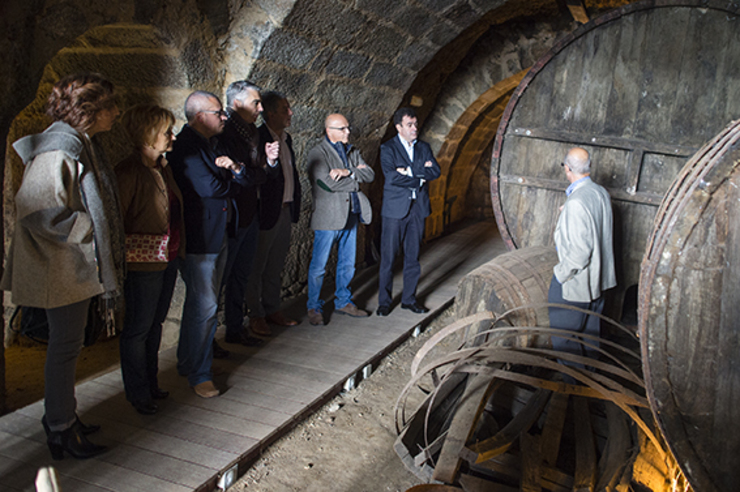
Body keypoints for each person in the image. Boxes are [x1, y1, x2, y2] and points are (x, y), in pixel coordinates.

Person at [2, 73, 125, 459]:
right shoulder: (60, 148)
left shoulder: (79, 143)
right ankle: (60, 429)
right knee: (64, 348)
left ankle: (63, 416)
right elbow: (39, 211)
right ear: (90, 111)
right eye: (110, 106)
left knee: (67, 346)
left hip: (71, 267)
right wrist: (89, 230)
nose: (116, 113)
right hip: (63, 268)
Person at [168, 91, 248, 398]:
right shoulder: (186, 147)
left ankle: (189, 363)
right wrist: (230, 174)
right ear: (201, 116)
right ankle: (200, 374)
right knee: (206, 306)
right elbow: (211, 187)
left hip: (217, 232)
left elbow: (230, 181)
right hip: (200, 237)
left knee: (199, 306)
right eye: (219, 113)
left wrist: (232, 174)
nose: (225, 117)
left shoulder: (210, 143)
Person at [116, 104, 185, 415]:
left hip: (166, 256)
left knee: (155, 324)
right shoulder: (129, 172)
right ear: (147, 134)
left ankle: (151, 382)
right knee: (138, 328)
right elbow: (117, 220)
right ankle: (138, 391)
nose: (172, 136)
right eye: (166, 132)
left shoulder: (163, 167)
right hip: (142, 262)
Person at [218, 81, 279, 346]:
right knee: (221, 279)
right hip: (232, 217)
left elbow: (263, 175)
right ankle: (210, 339)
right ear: (236, 104)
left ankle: (234, 328)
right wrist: (255, 172)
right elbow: (240, 178)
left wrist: (268, 165)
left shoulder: (255, 133)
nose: (261, 107)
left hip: (251, 213)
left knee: (241, 275)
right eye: (256, 102)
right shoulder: (224, 133)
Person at [547, 147, 616, 370]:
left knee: (564, 342)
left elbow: (578, 255)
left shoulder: (576, 203)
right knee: (590, 339)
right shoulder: (599, 192)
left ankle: (574, 390)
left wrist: (560, 274)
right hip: (599, 283)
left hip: (578, 286)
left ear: (567, 168)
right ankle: (591, 386)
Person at [305, 114, 375, 325]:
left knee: (347, 264)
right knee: (319, 266)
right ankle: (313, 307)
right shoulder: (318, 153)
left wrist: (347, 172)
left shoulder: (352, 151)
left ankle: (343, 301)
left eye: (348, 128)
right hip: (328, 217)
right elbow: (326, 184)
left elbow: (370, 174)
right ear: (330, 131)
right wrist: (356, 178)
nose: (348, 132)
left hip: (351, 215)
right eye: (343, 129)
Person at [245, 91, 301, 335]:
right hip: (267, 212)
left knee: (275, 265)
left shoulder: (286, 139)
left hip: (285, 209)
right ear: (270, 113)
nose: (290, 113)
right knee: (256, 267)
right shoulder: (258, 137)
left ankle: (272, 309)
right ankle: (255, 314)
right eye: (285, 109)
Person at [376, 107, 441, 317]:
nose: (415, 128)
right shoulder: (388, 148)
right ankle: (384, 302)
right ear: (399, 127)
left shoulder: (424, 147)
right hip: (395, 210)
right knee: (388, 258)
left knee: (413, 257)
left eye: (415, 124)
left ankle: (409, 299)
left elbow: (435, 171)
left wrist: (409, 171)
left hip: (417, 209)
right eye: (410, 125)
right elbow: (392, 177)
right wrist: (421, 173)